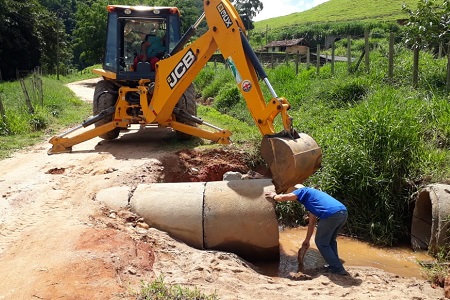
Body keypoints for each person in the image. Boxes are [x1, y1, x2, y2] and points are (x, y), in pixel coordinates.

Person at [265, 184, 349, 276]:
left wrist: (274, 196)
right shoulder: (312, 200)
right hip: (342, 212)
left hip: (330, 214)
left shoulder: (303, 191)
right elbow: (311, 223)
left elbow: (283, 198)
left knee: (321, 243)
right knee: (330, 241)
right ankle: (334, 265)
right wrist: (307, 240)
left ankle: (337, 268)